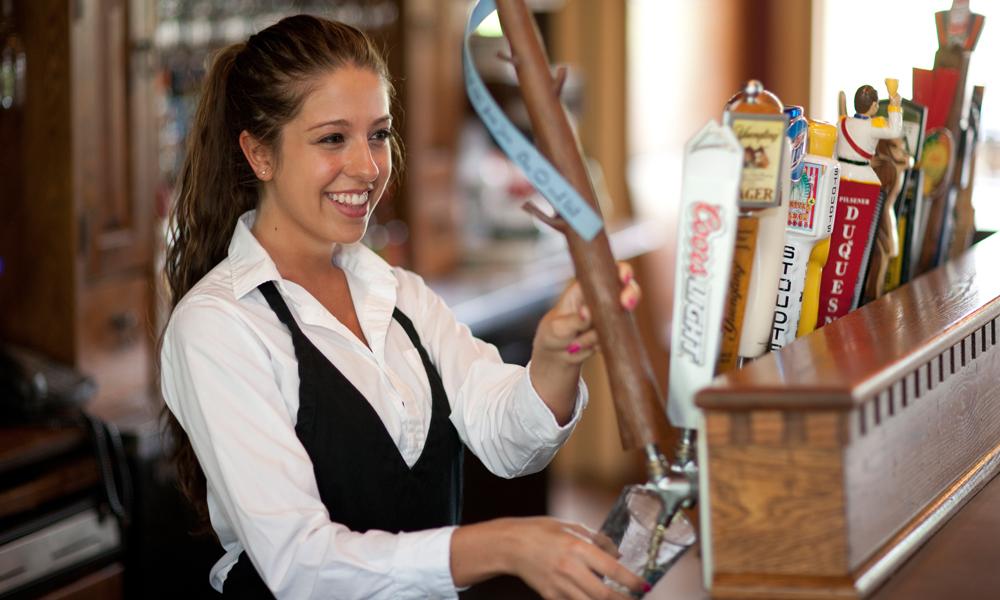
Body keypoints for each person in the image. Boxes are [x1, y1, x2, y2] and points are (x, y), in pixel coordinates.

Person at [159, 14, 648, 600]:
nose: (368, 167)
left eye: (379, 134)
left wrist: (556, 354)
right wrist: (506, 545)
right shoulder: (217, 326)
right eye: (333, 138)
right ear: (260, 155)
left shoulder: (399, 293)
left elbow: (507, 441)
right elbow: (301, 565)